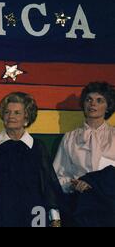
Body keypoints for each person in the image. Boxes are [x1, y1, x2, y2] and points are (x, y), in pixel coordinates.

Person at [0, 92, 62, 227]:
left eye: (17, 113)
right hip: (0, 214)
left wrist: (55, 218)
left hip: (35, 215)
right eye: (7, 112)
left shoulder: (37, 146)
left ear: (26, 116)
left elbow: (48, 183)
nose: (11, 116)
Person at [53, 82, 115, 226]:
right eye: (89, 99)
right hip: (80, 209)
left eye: (99, 100)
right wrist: (72, 184)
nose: (93, 104)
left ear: (108, 107)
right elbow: (58, 176)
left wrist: (99, 183)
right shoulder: (70, 138)